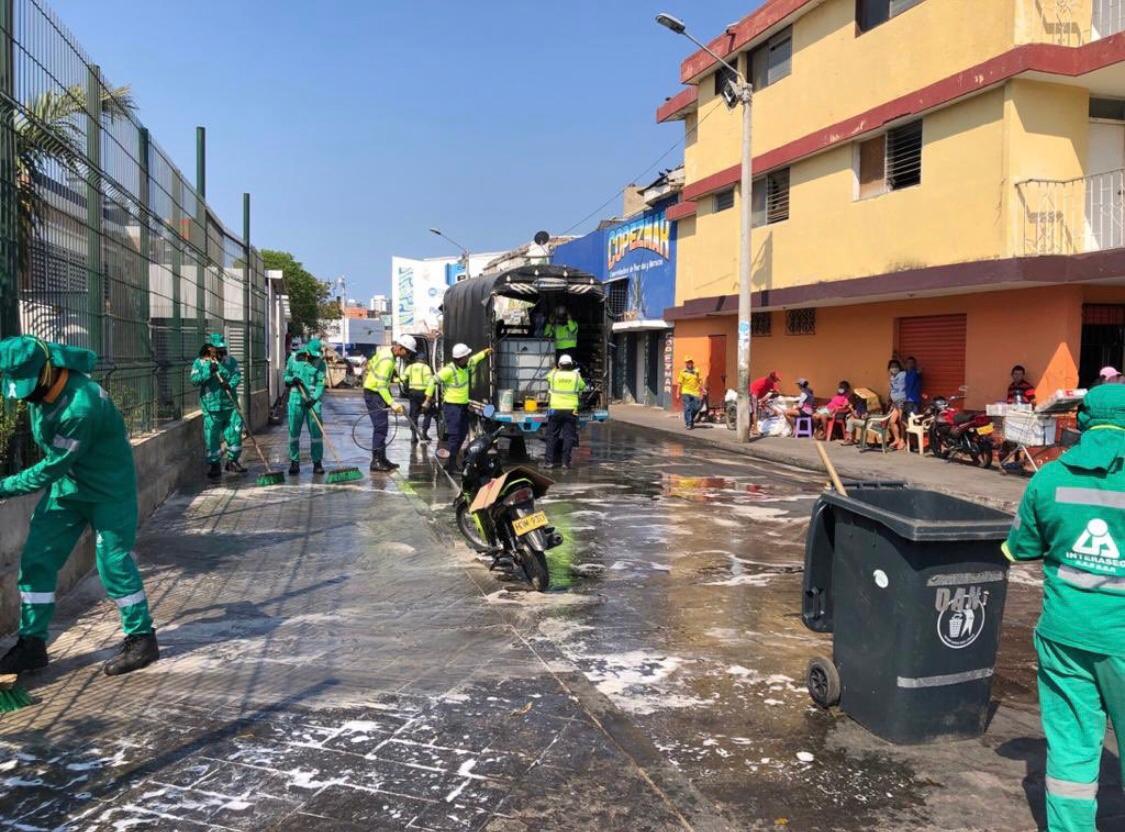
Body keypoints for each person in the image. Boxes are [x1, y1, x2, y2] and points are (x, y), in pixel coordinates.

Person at [1003, 384, 1125, 832]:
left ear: (1084, 420)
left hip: (1065, 635)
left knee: (1072, 747)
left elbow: (1020, 548)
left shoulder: (1050, 477)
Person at [0, 336, 158, 677]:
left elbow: (51, 466)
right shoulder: (41, 387)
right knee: (37, 559)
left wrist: (3, 486)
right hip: (67, 489)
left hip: (107, 491)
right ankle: (32, 644)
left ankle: (142, 638)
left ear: (46, 371)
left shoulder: (81, 407)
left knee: (113, 563)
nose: (26, 397)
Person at [422, 342, 491, 474]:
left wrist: (485, 352)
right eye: (467, 355)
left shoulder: (467, 364)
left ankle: (451, 462)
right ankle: (451, 464)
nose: (469, 357)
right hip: (452, 407)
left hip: (463, 406)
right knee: (454, 436)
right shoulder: (449, 370)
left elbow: (475, 358)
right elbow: (433, 381)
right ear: (462, 358)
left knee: (462, 434)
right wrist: (427, 400)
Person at [189, 332, 244, 481]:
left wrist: (230, 384)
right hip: (211, 407)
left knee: (235, 432)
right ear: (210, 349)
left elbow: (237, 376)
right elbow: (194, 380)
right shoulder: (200, 363)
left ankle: (232, 461)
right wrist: (209, 371)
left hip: (230, 405)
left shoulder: (230, 361)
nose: (220, 352)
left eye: (222, 349)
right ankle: (214, 465)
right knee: (212, 436)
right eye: (217, 350)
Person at [363, 336, 411, 472]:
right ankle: (376, 461)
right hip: (374, 394)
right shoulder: (388, 361)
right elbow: (381, 386)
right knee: (380, 428)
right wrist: (392, 402)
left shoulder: (385, 352)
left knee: (383, 427)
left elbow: (371, 364)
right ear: (400, 348)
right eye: (407, 352)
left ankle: (382, 459)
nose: (408, 355)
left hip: (375, 393)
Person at [284, 339, 327, 476]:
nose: (314, 358)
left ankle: (317, 462)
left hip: (312, 402)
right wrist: (292, 380)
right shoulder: (293, 359)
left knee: (316, 434)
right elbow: (286, 377)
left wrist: (314, 399)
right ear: (307, 351)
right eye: (312, 355)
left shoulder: (320, 363)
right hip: (295, 400)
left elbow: (321, 383)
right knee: (294, 433)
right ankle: (294, 462)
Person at [543, 354, 587, 469]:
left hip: (555, 410)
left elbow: (547, 377)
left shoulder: (554, 375)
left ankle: (549, 462)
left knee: (552, 436)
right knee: (568, 437)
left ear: (559, 365)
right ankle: (565, 463)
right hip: (571, 410)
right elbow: (583, 386)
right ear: (571, 365)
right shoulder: (576, 376)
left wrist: (555, 368)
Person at [401, 342, 434, 444]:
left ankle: (413, 436)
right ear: (424, 360)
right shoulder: (426, 368)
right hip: (423, 393)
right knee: (428, 413)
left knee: (413, 415)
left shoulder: (410, 367)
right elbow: (430, 382)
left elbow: (402, 378)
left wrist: (404, 385)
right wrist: (429, 398)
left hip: (413, 393)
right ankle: (424, 434)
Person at [676, 357, 705, 430]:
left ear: (692, 363)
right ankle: (689, 423)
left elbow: (699, 381)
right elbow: (679, 383)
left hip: (695, 392)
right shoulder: (682, 372)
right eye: (687, 362)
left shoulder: (696, 371)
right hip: (686, 391)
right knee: (687, 407)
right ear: (686, 364)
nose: (689, 364)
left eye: (690, 362)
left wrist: (702, 389)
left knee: (697, 407)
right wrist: (677, 393)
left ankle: (690, 419)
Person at [887, 359, 907, 450]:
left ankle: (903, 441)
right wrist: (889, 399)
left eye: (895, 366)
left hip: (902, 401)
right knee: (892, 421)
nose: (893, 368)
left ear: (899, 367)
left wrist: (899, 357)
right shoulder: (892, 377)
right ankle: (897, 439)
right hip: (895, 403)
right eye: (892, 367)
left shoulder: (903, 374)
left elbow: (907, 369)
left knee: (901, 422)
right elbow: (892, 389)